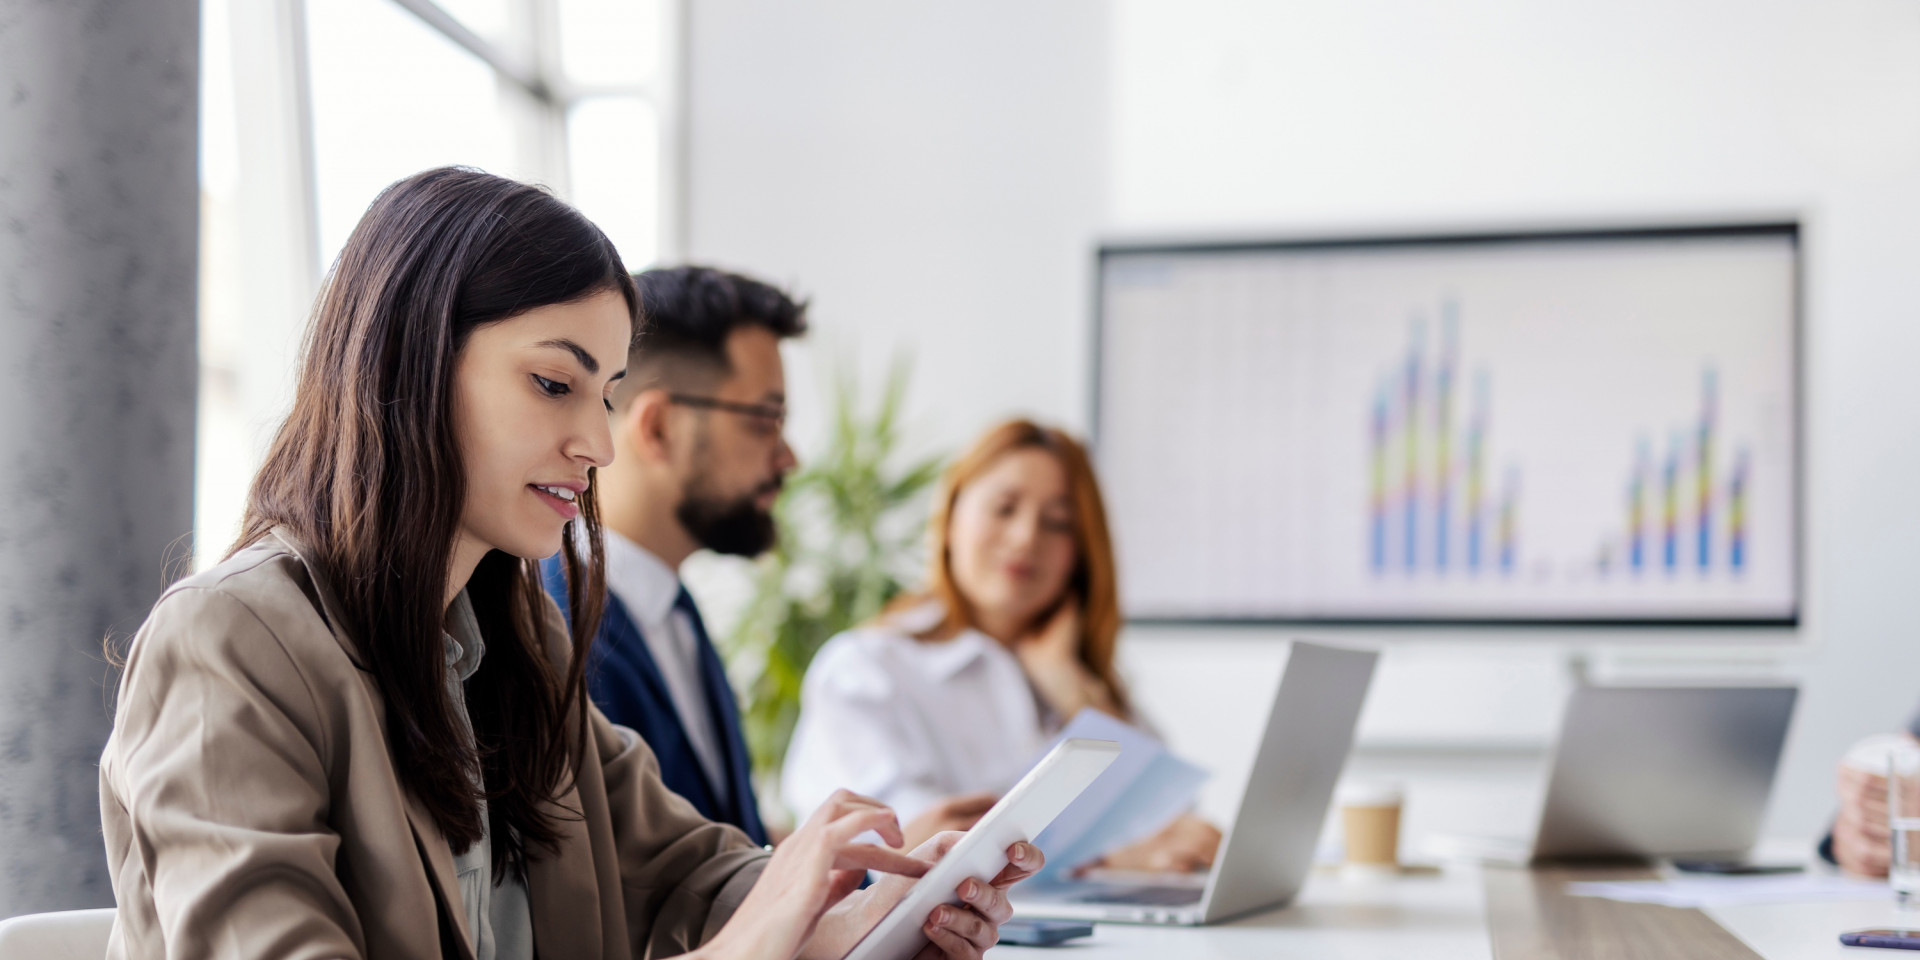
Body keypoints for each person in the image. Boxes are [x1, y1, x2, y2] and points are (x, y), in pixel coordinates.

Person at [98, 167, 1037, 960]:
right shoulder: (230, 643)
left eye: (609, 393)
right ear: (409, 363)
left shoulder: (513, 640)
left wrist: (871, 919)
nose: (599, 442)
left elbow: (690, 877)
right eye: (555, 383)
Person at [782, 419, 1221, 872]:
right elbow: (909, 845)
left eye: (1058, 522)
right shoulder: (866, 668)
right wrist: (1107, 859)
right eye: (1004, 508)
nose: (1026, 537)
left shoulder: (1071, 676)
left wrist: (1072, 691)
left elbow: (1176, 819)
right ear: (950, 520)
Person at [541, 266, 801, 846]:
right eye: (765, 421)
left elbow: (720, 839)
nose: (788, 457)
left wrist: (887, 865)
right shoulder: (554, 623)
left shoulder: (674, 611)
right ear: (658, 428)